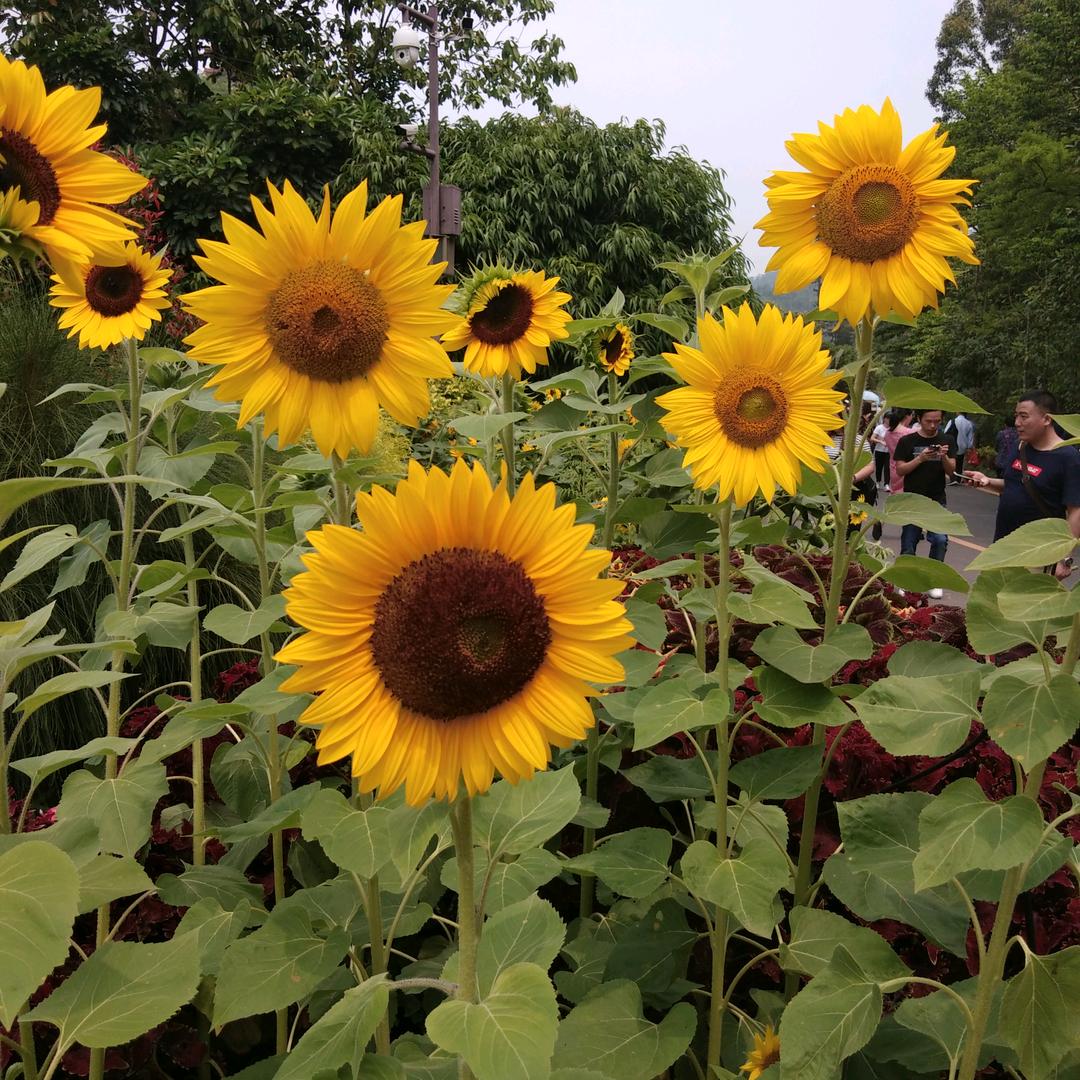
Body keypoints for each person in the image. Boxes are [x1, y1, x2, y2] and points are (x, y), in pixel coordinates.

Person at [963, 389, 1080, 579]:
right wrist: (986, 481)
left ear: (1047, 419)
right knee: (991, 603)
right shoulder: (1022, 447)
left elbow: (1076, 510)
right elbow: (1013, 484)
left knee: (1022, 605)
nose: (1017, 423)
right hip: (1002, 546)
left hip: (1037, 554)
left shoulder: (1068, 458)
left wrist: (1063, 557)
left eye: (1024, 417)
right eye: (1016, 416)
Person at [893, 409, 958, 598]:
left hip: (936, 499)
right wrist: (921, 458)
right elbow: (900, 470)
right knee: (909, 542)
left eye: (937, 421)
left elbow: (952, 470)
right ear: (919, 419)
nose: (932, 425)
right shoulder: (907, 441)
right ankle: (906, 580)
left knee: (940, 539)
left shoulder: (947, 440)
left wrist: (944, 456)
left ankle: (934, 581)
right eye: (928, 421)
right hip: (912, 500)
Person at [882, 409, 915, 494]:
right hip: (907, 467)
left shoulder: (887, 433)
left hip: (893, 467)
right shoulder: (910, 433)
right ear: (907, 416)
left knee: (896, 493)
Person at [946, 412, 975, 485]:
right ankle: (958, 479)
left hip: (953, 445)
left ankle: (953, 479)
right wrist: (969, 447)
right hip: (963, 446)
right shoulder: (969, 423)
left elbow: (945, 432)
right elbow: (970, 437)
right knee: (960, 462)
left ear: (958, 412)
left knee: (952, 462)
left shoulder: (952, 421)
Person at [871, 415, 890, 488]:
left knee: (887, 467)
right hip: (879, 450)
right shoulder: (879, 427)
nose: (889, 420)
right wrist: (880, 441)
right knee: (879, 467)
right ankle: (878, 481)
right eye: (888, 418)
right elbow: (872, 438)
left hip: (889, 451)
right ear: (884, 419)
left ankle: (886, 484)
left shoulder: (892, 428)